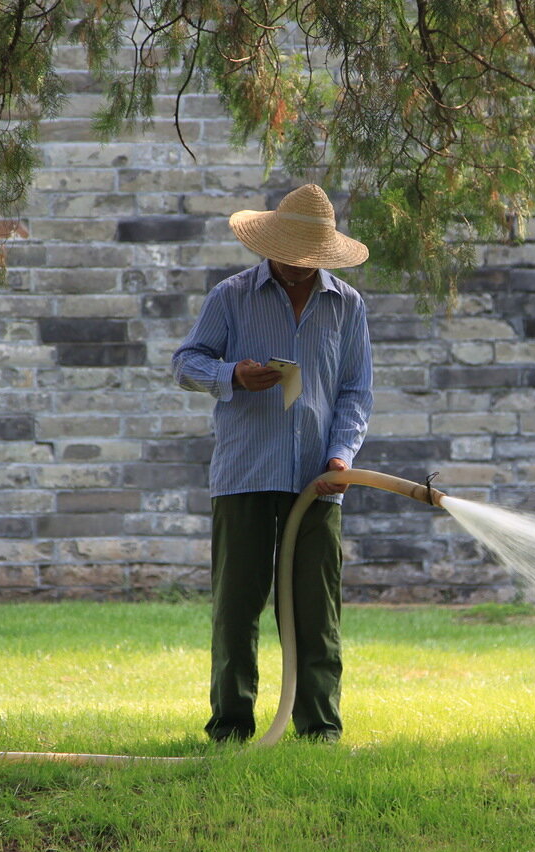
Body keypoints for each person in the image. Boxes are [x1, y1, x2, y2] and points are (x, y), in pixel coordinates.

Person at [171, 184, 373, 743]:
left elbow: (356, 393)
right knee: (237, 609)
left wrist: (342, 456)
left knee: (316, 612)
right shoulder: (232, 297)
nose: (296, 264)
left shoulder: (347, 305)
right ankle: (231, 728)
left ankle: (319, 730)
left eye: (308, 255)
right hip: (245, 474)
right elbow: (185, 363)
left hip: (320, 477)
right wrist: (232, 373)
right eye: (288, 251)